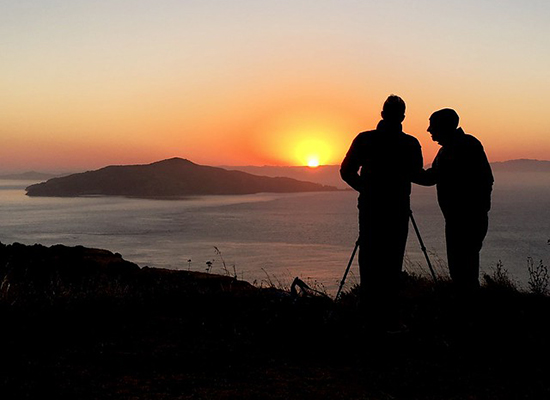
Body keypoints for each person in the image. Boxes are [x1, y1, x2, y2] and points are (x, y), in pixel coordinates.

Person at [340, 95, 423, 330]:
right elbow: (416, 174)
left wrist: (365, 189)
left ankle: (369, 315)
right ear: (403, 117)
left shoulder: (365, 139)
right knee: (393, 259)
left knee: (369, 257)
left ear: (382, 114)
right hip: (397, 207)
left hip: (371, 207)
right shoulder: (411, 143)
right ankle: (389, 317)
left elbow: (346, 171)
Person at [414, 108, 493, 292]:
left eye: (432, 126)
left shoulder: (464, 147)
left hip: (465, 220)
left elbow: (483, 181)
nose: (429, 130)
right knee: (462, 269)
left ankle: (467, 313)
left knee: (463, 269)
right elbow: (431, 177)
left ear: (444, 126)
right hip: (461, 219)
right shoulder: (449, 149)